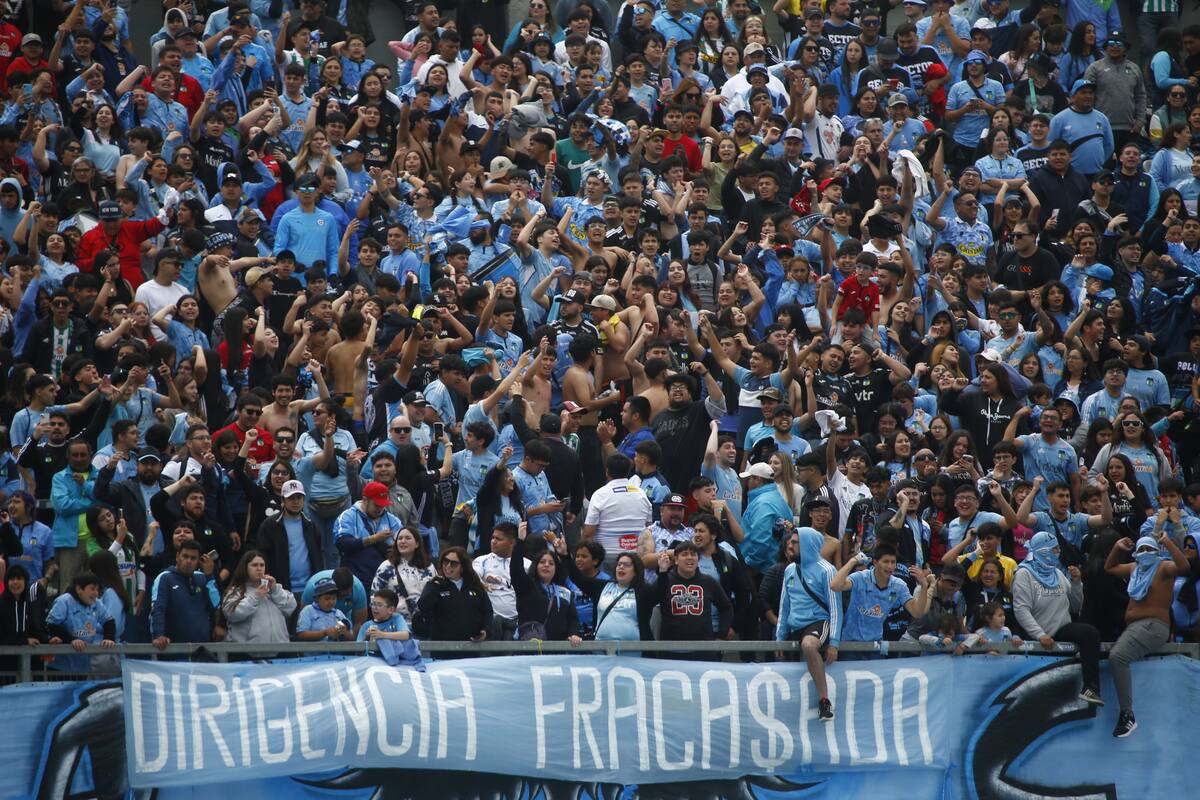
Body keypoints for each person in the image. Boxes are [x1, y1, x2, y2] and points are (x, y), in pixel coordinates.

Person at [1012, 531, 1104, 704]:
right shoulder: (1024, 574)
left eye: (1057, 550)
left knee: (1090, 633)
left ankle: (1090, 688)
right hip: (1036, 632)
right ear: (1042, 551)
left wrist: (1076, 583)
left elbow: (1076, 607)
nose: (1057, 554)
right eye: (1053, 550)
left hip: (1061, 628)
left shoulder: (1058, 574)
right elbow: (1021, 610)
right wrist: (1039, 634)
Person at [776, 527, 842, 721]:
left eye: (794, 543)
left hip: (818, 622)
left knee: (808, 645)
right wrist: (779, 637)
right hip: (795, 625)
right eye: (789, 543)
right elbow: (784, 606)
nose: (789, 546)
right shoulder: (789, 569)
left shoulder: (827, 570)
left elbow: (835, 608)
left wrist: (834, 642)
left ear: (807, 545)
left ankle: (824, 701)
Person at [413, 547, 493, 643]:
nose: (448, 566)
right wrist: (435, 588)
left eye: (454, 563)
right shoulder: (435, 584)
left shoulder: (475, 586)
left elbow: (487, 611)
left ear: (463, 567)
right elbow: (423, 606)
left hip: (471, 645)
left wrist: (485, 630)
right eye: (445, 561)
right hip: (442, 646)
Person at [220, 550, 297, 645]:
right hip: (247, 653)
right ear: (245, 568)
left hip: (280, 651)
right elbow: (232, 615)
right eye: (254, 565)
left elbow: (291, 608)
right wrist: (255, 597)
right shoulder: (235, 592)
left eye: (262, 565)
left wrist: (275, 590)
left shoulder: (273, 589)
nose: (259, 568)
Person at [294, 576, 355, 641]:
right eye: (327, 598)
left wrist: (345, 633)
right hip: (314, 651)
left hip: (336, 650)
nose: (331, 602)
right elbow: (300, 635)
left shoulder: (339, 614)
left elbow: (352, 638)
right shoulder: (308, 611)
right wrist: (324, 633)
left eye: (334, 598)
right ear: (317, 599)